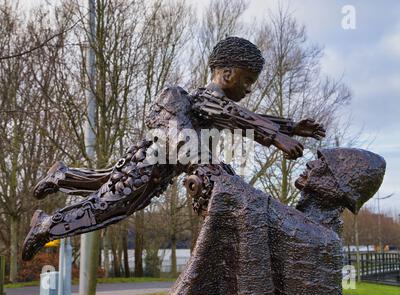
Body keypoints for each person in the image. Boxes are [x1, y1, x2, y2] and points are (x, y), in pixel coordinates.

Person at [22, 37, 325, 261]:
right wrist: (275, 136)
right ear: (228, 74)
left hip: (155, 167)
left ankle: (61, 176)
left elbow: (240, 118)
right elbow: (233, 116)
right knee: (108, 207)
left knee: (108, 183)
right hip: (149, 165)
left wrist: (290, 127)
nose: (249, 89)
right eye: (248, 81)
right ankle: (46, 225)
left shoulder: (213, 105)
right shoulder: (207, 100)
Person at [166, 148, 386, 295]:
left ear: (339, 185)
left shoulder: (320, 240)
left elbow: (246, 198)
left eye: (323, 162)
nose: (311, 162)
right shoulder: (306, 227)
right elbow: (249, 198)